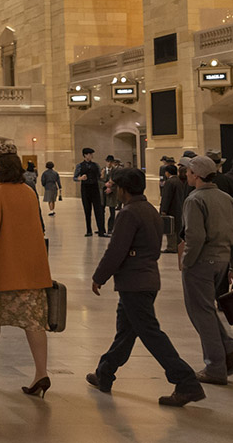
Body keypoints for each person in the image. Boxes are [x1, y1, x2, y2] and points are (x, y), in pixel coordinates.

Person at [88, 168, 206, 407]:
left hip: (134, 283)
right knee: (126, 332)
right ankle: (105, 372)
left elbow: (117, 250)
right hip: (147, 279)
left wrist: (100, 276)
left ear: (123, 189)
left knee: (151, 334)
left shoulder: (129, 213)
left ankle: (186, 382)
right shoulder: (149, 209)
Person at [0, 144, 52, 397]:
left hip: (4, 269)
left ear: (1, 166)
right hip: (31, 269)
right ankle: (41, 373)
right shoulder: (29, 191)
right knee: (33, 323)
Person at [179, 155, 233, 384]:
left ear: (196, 175)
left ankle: (216, 367)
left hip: (201, 262)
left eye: (188, 172)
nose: (186, 175)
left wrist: (186, 262)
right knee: (207, 310)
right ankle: (230, 349)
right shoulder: (228, 200)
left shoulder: (194, 199)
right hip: (222, 261)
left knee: (199, 313)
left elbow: (195, 236)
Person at [74, 148, 106, 237]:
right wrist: (80, 178)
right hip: (85, 189)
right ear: (85, 155)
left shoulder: (96, 165)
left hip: (95, 188)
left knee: (98, 210)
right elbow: (75, 178)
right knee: (87, 210)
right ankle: (89, 230)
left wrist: (102, 174)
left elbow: (100, 177)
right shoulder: (79, 166)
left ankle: (101, 230)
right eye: (90, 154)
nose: (91, 156)